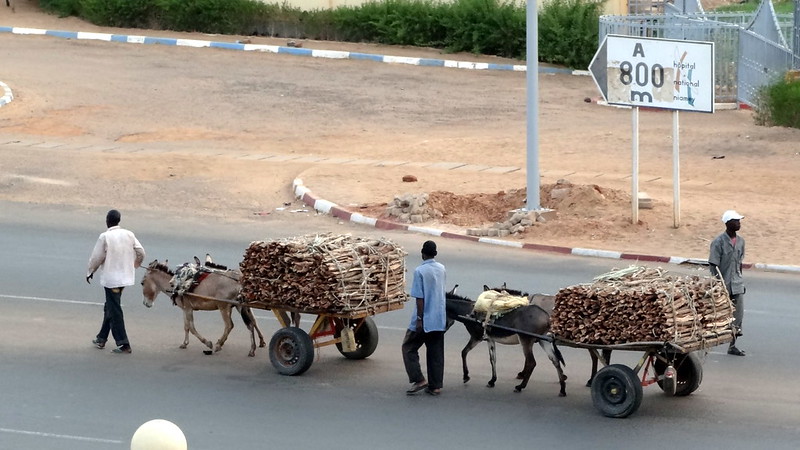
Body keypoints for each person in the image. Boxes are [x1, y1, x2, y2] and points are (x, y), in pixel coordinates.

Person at [86, 209, 145, 354]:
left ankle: (124, 344)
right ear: (119, 220)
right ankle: (101, 338)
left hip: (111, 280)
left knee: (114, 310)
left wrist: (90, 271)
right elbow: (141, 252)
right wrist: (136, 264)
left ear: (107, 220)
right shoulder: (129, 234)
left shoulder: (105, 236)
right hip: (125, 279)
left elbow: (97, 257)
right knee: (110, 307)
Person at [402, 240, 447, 396]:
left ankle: (418, 379)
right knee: (436, 352)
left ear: (423, 253)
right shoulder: (442, 269)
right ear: (434, 254)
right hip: (439, 318)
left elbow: (420, 298)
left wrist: (420, 319)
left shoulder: (420, 271)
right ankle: (435, 386)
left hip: (425, 319)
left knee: (408, 347)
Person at [708, 210, 746, 357]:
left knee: (738, 316)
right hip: (723, 284)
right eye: (736, 221)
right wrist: (718, 284)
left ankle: (733, 345)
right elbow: (713, 265)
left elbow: (740, 263)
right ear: (728, 223)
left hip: (737, 284)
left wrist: (741, 281)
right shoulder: (718, 242)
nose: (739, 223)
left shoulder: (741, 242)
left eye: (739, 221)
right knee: (718, 315)